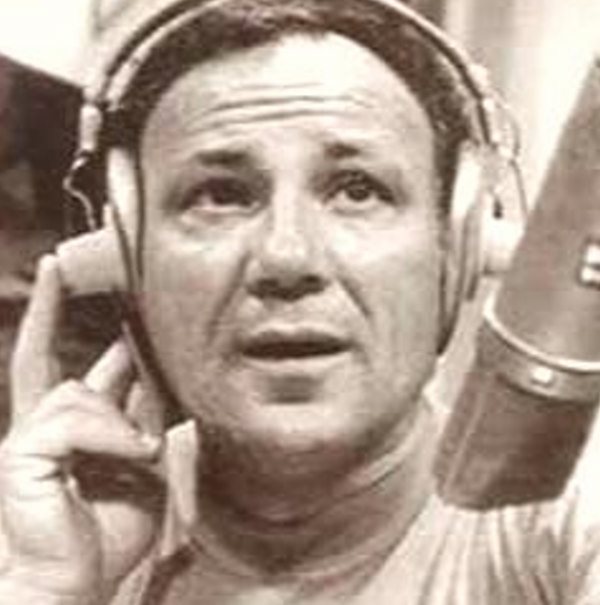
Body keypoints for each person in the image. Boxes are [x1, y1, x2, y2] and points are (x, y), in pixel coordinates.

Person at [1, 1, 600, 604]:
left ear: (460, 244)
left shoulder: (564, 508)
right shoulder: (43, 533)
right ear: (127, 259)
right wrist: (47, 588)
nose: (287, 259)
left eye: (358, 190)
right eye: (220, 195)